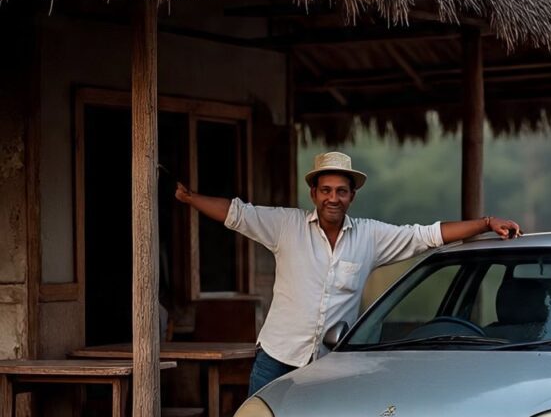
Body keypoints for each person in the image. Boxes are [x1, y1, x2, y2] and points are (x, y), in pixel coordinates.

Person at [175, 151, 521, 395]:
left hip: (329, 366)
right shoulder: (286, 226)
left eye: (341, 191)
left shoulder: (370, 236)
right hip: (277, 358)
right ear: (314, 193)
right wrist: (191, 199)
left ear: (352, 196)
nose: (333, 198)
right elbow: (237, 214)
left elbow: (425, 235)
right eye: (326, 190)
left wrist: (486, 223)